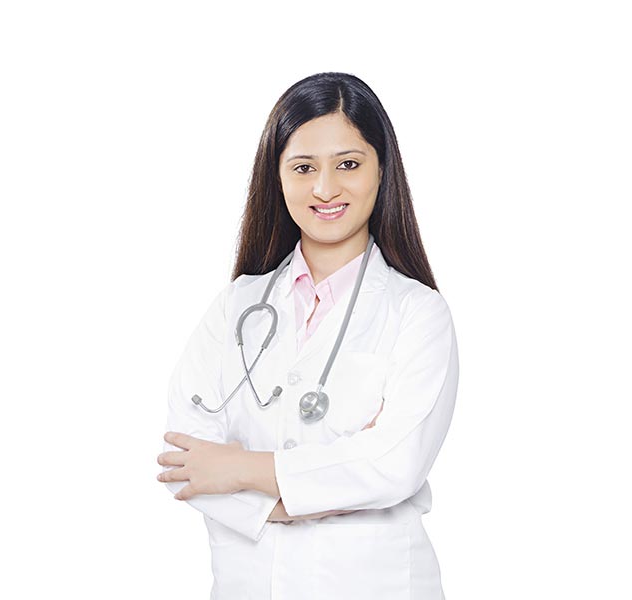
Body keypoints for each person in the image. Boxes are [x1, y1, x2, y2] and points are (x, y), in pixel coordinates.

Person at [156, 71, 458, 599]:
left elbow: (394, 464)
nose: (325, 188)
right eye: (303, 167)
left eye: (348, 164)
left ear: (381, 171)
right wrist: (324, 484)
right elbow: (186, 458)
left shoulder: (418, 313)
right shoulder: (237, 308)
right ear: (277, 177)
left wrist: (243, 469)